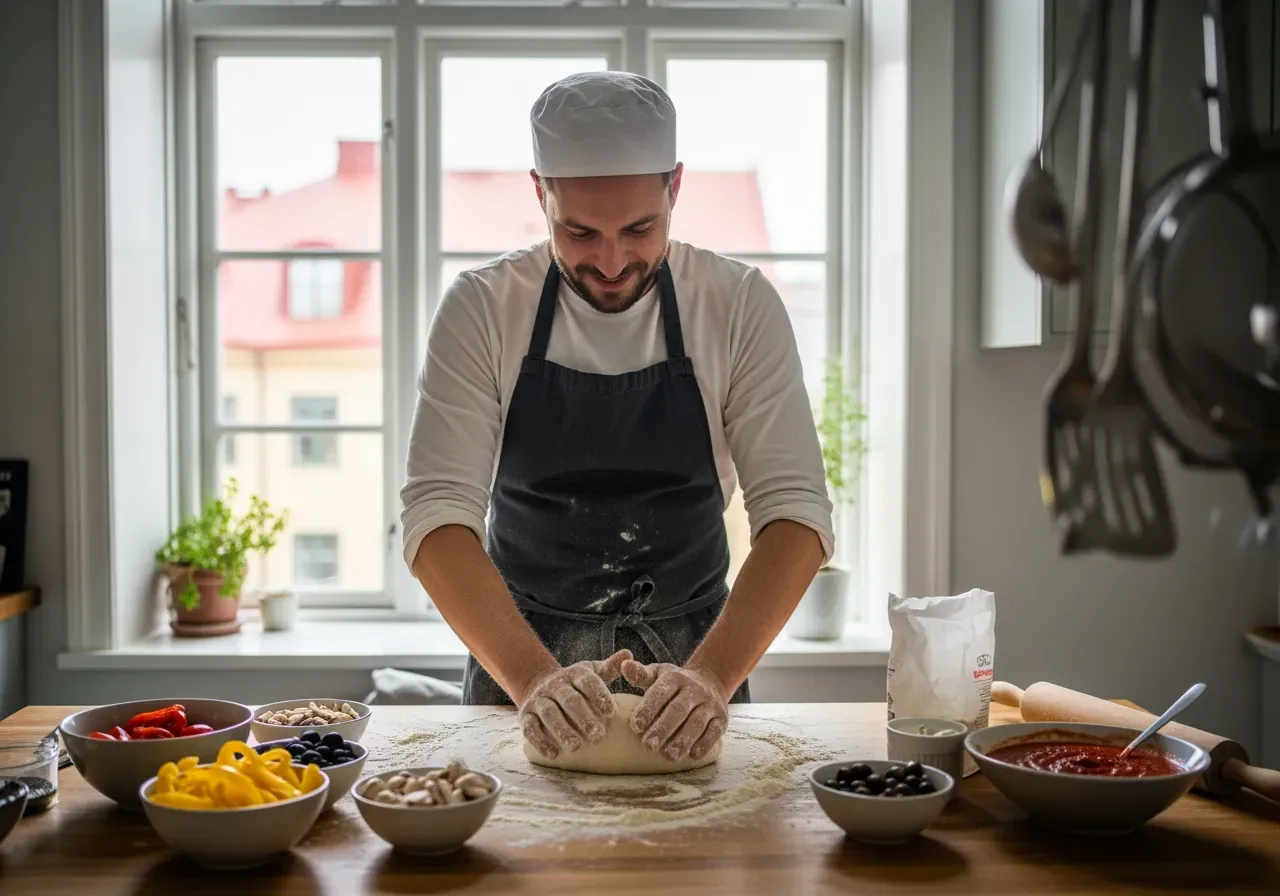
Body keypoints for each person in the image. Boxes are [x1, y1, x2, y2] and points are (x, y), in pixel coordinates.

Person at [401, 70, 833, 766]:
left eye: (639, 228)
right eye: (578, 231)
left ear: (675, 188)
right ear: (540, 193)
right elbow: (436, 517)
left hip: (694, 681)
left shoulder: (737, 305)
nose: (610, 262)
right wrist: (535, 680)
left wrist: (711, 677)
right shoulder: (482, 308)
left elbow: (796, 514)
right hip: (520, 680)